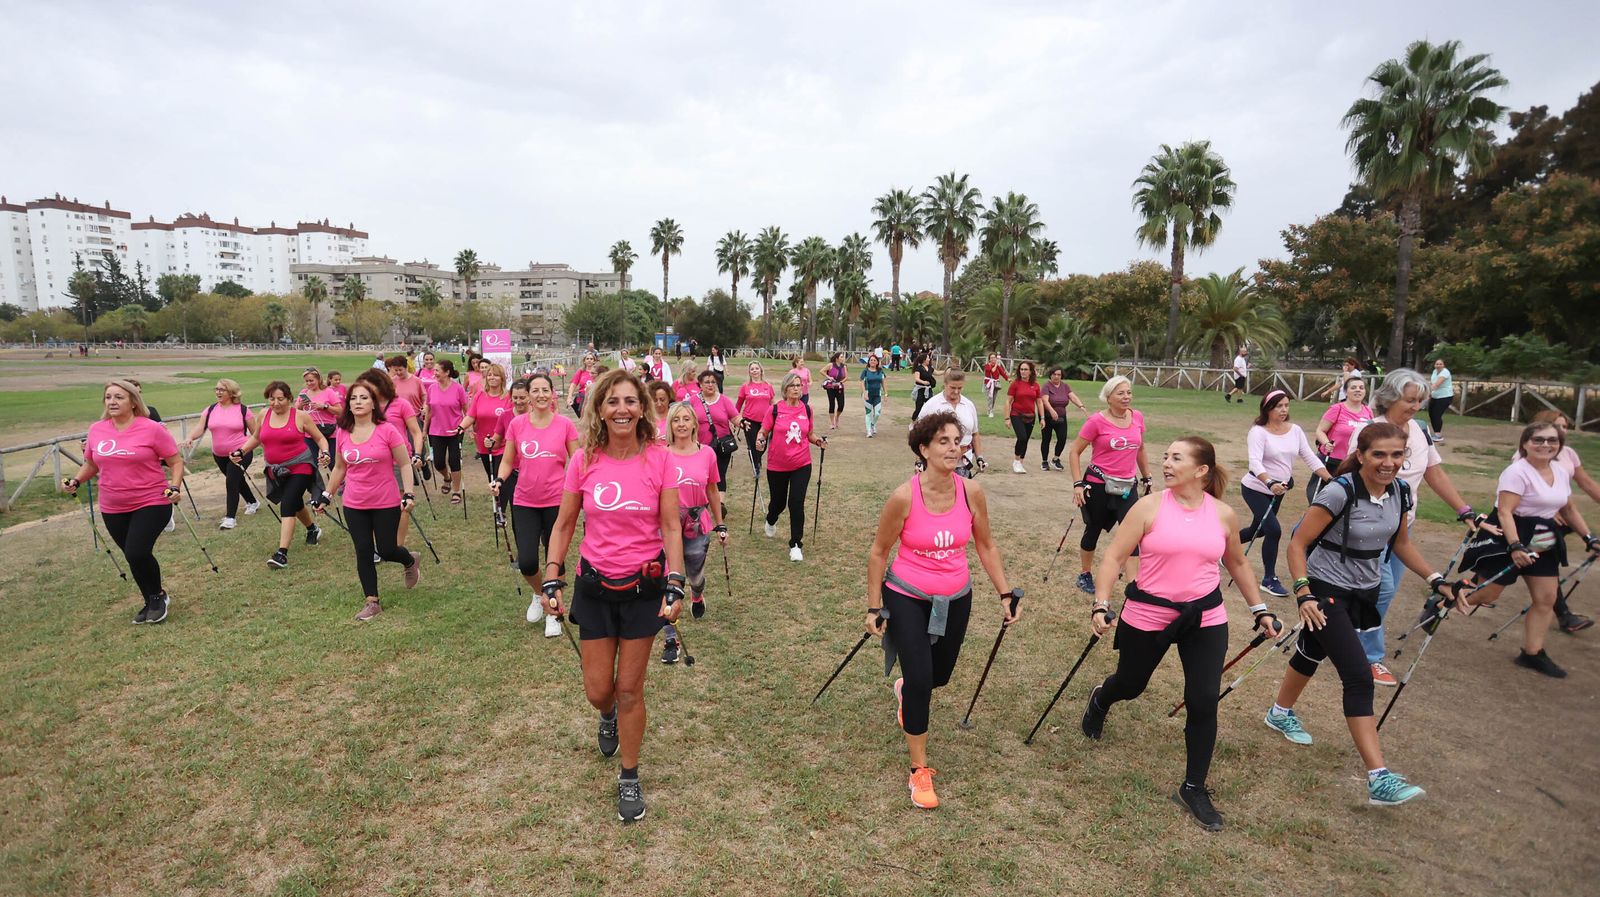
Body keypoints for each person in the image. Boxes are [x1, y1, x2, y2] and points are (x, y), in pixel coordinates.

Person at [1262, 422, 1469, 807]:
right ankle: (1379, 778)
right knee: (1358, 676)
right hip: (1324, 590)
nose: (1388, 463)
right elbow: (1298, 544)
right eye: (1379, 454)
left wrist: (1436, 579)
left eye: (1396, 455)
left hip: (1364, 589)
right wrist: (1304, 593)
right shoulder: (1340, 492)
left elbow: (1401, 544)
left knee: (1312, 649)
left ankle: (1279, 712)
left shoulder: (1401, 492)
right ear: (1360, 455)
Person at [1081, 437, 1277, 830]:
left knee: (1203, 699)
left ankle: (1193, 786)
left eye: (1176, 458)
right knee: (1131, 684)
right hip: (1148, 613)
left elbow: (1237, 564)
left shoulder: (1223, 514)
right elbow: (1115, 556)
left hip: (1204, 617)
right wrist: (1101, 602)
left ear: (1201, 470)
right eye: (1166, 457)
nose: (1166, 464)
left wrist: (1260, 610)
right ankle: (1102, 698)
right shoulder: (1148, 507)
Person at [539, 368, 686, 822]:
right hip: (595, 587)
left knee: (629, 689)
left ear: (643, 408)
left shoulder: (660, 459)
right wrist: (551, 575)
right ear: (599, 409)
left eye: (630, 401)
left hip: (643, 588)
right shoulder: (584, 460)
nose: (622, 409)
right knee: (598, 690)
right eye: (612, 402)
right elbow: (564, 524)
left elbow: (670, 526)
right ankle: (606, 718)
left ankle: (629, 776)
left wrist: (676, 580)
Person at [866, 411, 1019, 809]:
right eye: (944, 442)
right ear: (924, 449)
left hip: (956, 595)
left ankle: (907, 691)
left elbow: (985, 545)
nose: (954, 448)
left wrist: (1004, 593)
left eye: (958, 440)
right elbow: (880, 551)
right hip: (907, 594)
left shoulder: (972, 493)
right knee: (920, 679)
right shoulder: (904, 496)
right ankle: (919, 771)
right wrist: (873, 605)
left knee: (940, 676)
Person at [1346, 369, 1485, 687]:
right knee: (1380, 589)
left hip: (1401, 529)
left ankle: (1347, 636)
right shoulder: (1369, 431)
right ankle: (1368, 657)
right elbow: (1350, 478)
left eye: (1419, 400)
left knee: (1384, 591)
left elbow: (1434, 472)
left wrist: (1464, 510)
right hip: (1368, 527)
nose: (1416, 406)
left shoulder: (1420, 431)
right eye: (1410, 400)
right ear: (1391, 397)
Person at [1456, 421, 1600, 677]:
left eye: (1552, 440)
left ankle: (1532, 653)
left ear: (1560, 444)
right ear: (1525, 444)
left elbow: (1568, 509)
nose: (1546, 445)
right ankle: (1443, 600)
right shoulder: (1517, 471)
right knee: (1488, 595)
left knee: (1546, 598)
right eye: (1539, 440)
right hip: (1510, 533)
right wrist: (1515, 546)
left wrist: (1589, 538)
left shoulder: (1560, 470)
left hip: (1544, 537)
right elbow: (1505, 511)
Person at [63, 379, 184, 624]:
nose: (112, 402)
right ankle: (150, 598)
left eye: (119, 397)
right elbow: (91, 464)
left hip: (151, 500)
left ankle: (158, 596)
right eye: (108, 397)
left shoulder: (151, 428)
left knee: (136, 551)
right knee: (132, 556)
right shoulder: (97, 429)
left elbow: (175, 461)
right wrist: (76, 480)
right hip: (112, 504)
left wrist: (175, 486)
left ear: (132, 401)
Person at [313, 380, 421, 621]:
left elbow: (404, 463)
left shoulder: (387, 430)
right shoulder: (343, 431)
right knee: (363, 551)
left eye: (364, 398)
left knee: (386, 549)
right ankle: (372, 602)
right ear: (348, 404)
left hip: (385, 500)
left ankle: (409, 560)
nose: (358, 402)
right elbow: (340, 467)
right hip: (354, 502)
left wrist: (409, 493)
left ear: (374, 403)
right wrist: (327, 495)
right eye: (353, 398)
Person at [494, 373, 580, 636]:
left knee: (556, 558)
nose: (541, 395)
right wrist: (499, 479)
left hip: (557, 501)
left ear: (553, 393)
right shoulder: (517, 425)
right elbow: (508, 460)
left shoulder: (564, 425)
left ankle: (554, 609)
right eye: (536, 390)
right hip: (525, 501)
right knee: (528, 562)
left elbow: (577, 459)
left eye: (546, 390)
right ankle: (538, 593)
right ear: (528, 395)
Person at [1242, 391, 1334, 597]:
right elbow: (1254, 462)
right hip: (1255, 488)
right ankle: (1269, 579)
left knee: (1259, 530)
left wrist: (1330, 479)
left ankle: (1221, 550)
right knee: (1273, 530)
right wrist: (1269, 481)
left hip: (1278, 490)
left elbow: (1310, 457)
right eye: (1278, 406)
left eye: (1286, 405)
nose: (1284, 410)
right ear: (1267, 409)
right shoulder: (1258, 432)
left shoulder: (1295, 430)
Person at [233, 380, 331, 569]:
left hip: (301, 465)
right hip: (275, 468)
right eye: (271, 399)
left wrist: (324, 452)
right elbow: (256, 437)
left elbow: (320, 438)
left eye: (280, 399)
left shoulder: (300, 416)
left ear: (289, 399)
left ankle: (281, 554)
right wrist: (241, 451)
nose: (276, 403)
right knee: (294, 502)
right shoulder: (264, 414)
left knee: (287, 503)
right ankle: (312, 529)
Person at [1517, 411, 1600, 632]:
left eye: (1565, 427)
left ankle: (1562, 615)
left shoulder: (1569, 454)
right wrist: (1549, 511)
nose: (1563, 431)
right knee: (1542, 560)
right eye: (1557, 426)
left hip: (1561, 520)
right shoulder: (1526, 456)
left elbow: (1587, 484)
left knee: (1545, 563)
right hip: (1537, 523)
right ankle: (1563, 614)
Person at [1068, 376, 1151, 594]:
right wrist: (1078, 484)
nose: (1127, 397)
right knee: (1093, 530)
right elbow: (1075, 451)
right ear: (1108, 397)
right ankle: (1085, 574)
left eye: (1129, 392)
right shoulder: (1096, 421)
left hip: (1127, 486)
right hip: (1098, 484)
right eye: (1121, 393)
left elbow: (1140, 449)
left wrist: (1147, 476)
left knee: (1133, 533)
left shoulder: (1138, 417)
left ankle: (1133, 585)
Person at [661, 401, 728, 658]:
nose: (681, 424)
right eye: (676, 419)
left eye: (686, 419)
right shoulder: (661, 454)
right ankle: (670, 639)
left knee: (695, 576)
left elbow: (712, 489)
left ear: (694, 423)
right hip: (667, 525)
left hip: (697, 523)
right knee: (669, 579)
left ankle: (697, 595)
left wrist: (720, 523)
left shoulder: (707, 454)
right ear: (670, 424)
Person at [755, 372, 826, 561]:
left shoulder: (807, 410)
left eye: (799, 385)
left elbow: (809, 434)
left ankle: (795, 544)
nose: (796, 388)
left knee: (796, 502)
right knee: (778, 503)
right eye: (793, 386)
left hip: (802, 463)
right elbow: (764, 431)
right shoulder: (775, 410)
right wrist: (760, 440)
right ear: (785, 389)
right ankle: (771, 519)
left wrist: (818, 441)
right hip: (777, 465)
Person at [355, 369, 427, 549]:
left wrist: (417, 454)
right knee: (373, 505)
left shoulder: (401, 404)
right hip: (370, 462)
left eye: (369, 388)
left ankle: (396, 546)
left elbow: (416, 432)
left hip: (397, 461)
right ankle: (377, 545)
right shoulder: (363, 407)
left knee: (401, 505)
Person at [181, 379, 259, 528]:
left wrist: (254, 448)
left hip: (240, 452)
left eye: (222, 389)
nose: (218, 392)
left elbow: (255, 434)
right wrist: (190, 437)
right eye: (216, 389)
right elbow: (200, 428)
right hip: (219, 455)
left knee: (231, 482)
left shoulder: (243, 410)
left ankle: (230, 518)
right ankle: (253, 502)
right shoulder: (210, 410)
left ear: (231, 392)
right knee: (236, 480)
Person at [461, 363, 514, 510]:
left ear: (502, 378)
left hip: (503, 445)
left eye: (496, 375)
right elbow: (471, 416)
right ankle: (499, 504)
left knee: (499, 477)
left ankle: (500, 510)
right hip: (484, 445)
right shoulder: (479, 396)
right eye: (490, 375)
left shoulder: (508, 397)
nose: (492, 378)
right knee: (491, 477)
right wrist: (461, 427)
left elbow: (512, 421)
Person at [915, 369, 983, 477]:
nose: (956, 391)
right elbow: (919, 435)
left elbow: (975, 434)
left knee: (962, 493)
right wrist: (919, 461)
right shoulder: (931, 405)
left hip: (963, 465)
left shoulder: (969, 405)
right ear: (945, 384)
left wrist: (979, 457)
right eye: (953, 387)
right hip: (937, 465)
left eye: (959, 388)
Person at [1313, 375, 1373, 488]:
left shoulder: (1368, 411)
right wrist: (1326, 443)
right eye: (1353, 387)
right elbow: (1320, 430)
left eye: (1361, 387)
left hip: (1355, 463)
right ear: (1345, 391)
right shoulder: (1337, 409)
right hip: (1332, 461)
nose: (1358, 390)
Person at [424, 360, 468, 503]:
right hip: (436, 430)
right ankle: (447, 477)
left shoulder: (458, 389)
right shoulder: (431, 388)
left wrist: (465, 427)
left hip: (455, 430)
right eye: (434, 371)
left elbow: (466, 411)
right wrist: (425, 430)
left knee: (454, 460)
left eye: (437, 370)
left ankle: (456, 491)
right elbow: (429, 411)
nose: (434, 373)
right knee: (438, 462)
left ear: (447, 372)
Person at [689, 370, 739, 491]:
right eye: (707, 382)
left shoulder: (724, 400)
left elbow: (735, 417)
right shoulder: (692, 401)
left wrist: (742, 423)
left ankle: (720, 505)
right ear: (700, 384)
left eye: (713, 382)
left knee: (720, 475)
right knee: (702, 475)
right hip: (700, 446)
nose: (710, 385)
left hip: (722, 445)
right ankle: (703, 501)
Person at [1038, 366, 1088, 471]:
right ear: (1050, 375)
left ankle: (1056, 459)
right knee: (1046, 439)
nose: (1056, 376)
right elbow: (1045, 401)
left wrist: (1081, 406)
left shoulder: (1065, 386)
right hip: (1047, 416)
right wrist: (1052, 411)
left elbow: (1072, 396)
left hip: (1061, 416)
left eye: (1059, 374)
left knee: (1062, 438)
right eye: (1054, 374)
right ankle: (1044, 461)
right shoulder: (1047, 386)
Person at [1004, 360, 1042, 474]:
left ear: (1031, 371)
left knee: (1026, 440)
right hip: (1016, 414)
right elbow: (1008, 401)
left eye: (1026, 369)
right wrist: (1007, 418)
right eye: (1021, 369)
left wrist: (1043, 418)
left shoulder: (1035, 385)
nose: (1023, 372)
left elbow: (1039, 402)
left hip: (1030, 416)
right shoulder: (1015, 384)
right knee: (1022, 437)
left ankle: (1021, 462)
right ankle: (1016, 461)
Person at [736, 362, 775, 473]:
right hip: (749, 420)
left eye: (756, 368)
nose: (754, 370)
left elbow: (772, 403)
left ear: (761, 370)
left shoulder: (768, 385)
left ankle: (758, 459)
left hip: (765, 421)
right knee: (753, 444)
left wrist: (777, 415)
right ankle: (756, 467)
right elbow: (739, 404)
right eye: (752, 369)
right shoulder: (745, 386)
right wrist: (736, 419)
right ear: (749, 372)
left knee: (763, 444)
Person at [298, 367, 343, 446]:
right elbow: (297, 412)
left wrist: (324, 407)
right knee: (313, 458)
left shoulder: (328, 391)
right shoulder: (304, 392)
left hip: (328, 432)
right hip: (310, 433)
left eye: (311, 380)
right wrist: (301, 405)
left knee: (330, 458)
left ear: (318, 379)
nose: (309, 383)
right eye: (307, 381)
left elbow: (340, 411)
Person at [388, 355, 428, 423]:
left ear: (406, 368)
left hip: (415, 418)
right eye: (396, 370)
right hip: (398, 419)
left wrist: (424, 407)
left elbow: (425, 397)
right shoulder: (392, 382)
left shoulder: (417, 381)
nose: (398, 372)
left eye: (400, 370)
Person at [859, 353, 886, 438]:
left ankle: (872, 424)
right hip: (867, 394)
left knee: (877, 413)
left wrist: (886, 393)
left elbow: (884, 383)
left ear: (877, 362)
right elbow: (862, 383)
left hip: (877, 395)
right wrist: (864, 393)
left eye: (874, 360)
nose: (873, 361)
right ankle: (869, 431)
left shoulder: (880, 371)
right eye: (871, 360)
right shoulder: (865, 371)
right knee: (868, 413)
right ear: (868, 362)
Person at [1427, 358, 1454, 442]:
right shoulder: (1434, 372)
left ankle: (1438, 435)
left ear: (1443, 365)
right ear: (1435, 365)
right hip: (1435, 396)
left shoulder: (1445, 372)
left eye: (1440, 364)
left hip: (1445, 396)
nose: (1438, 365)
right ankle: (1436, 433)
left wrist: (1424, 392)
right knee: (1431, 413)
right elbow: (1431, 383)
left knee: (1436, 414)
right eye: (1437, 364)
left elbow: (1436, 384)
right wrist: (1429, 394)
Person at [568, 353, 598, 418]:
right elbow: (573, 385)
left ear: (594, 361)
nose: (589, 360)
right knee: (583, 419)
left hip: (594, 399)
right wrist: (569, 397)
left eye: (591, 359)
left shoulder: (597, 372)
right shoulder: (580, 372)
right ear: (584, 361)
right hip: (582, 399)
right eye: (587, 359)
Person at [823, 352, 848, 430]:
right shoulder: (831, 365)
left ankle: (837, 417)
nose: (843, 358)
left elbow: (846, 377)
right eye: (841, 357)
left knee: (841, 405)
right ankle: (832, 423)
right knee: (832, 404)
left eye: (843, 357)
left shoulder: (844, 366)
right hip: (830, 387)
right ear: (837, 358)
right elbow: (822, 371)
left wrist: (841, 382)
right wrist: (828, 377)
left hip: (840, 387)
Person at [910, 352, 937, 421]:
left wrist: (946, 370)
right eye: (928, 358)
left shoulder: (930, 368)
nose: (929, 359)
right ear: (924, 360)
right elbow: (917, 378)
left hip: (928, 390)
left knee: (930, 405)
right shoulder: (919, 368)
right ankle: (914, 419)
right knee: (919, 407)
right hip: (920, 390)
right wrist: (923, 382)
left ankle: (927, 420)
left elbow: (937, 373)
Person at [981, 353, 1008, 417]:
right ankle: (990, 411)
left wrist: (1008, 379)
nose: (993, 359)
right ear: (989, 359)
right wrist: (996, 364)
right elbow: (992, 371)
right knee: (990, 398)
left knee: (994, 398)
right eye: (991, 358)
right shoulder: (987, 365)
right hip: (988, 383)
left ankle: (990, 410)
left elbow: (1002, 373)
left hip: (996, 384)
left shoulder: (998, 367)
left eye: (994, 357)